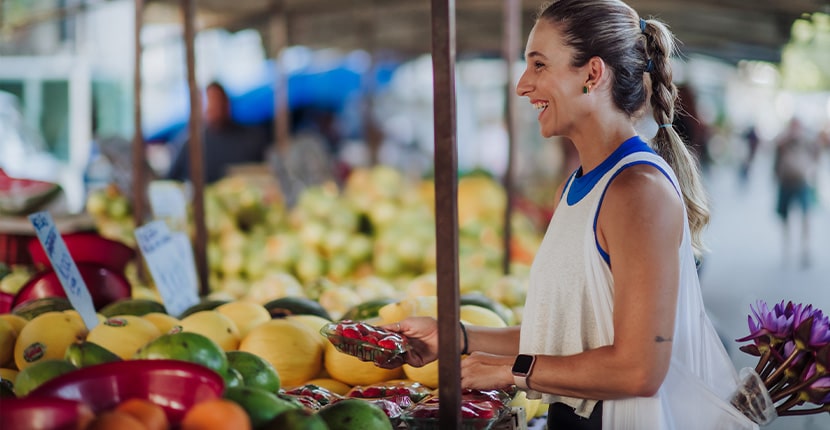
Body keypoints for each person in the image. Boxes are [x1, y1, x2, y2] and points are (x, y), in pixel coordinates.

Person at [386, 1, 756, 429]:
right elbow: (567, 337)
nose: (523, 85)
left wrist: (513, 370)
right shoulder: (584, 183)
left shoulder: (637, 191)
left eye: (539, 65)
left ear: (592, 75)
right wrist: (456, 336)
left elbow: (639, 369)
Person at [166, 82, 270, 184]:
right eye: (210, 102)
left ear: (227, 104)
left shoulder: (252, 138)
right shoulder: (189, 144)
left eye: (218, 101)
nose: (214, 107)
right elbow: (171, 180)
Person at [772, 117, 819, 268]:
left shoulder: (806, 140)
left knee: (805, 215)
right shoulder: (783, 140)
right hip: (786, 183)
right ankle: (787, 247)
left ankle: (805, 248)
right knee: (785, 217)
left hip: (802, 182)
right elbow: (776, 155)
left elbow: (817, 152)